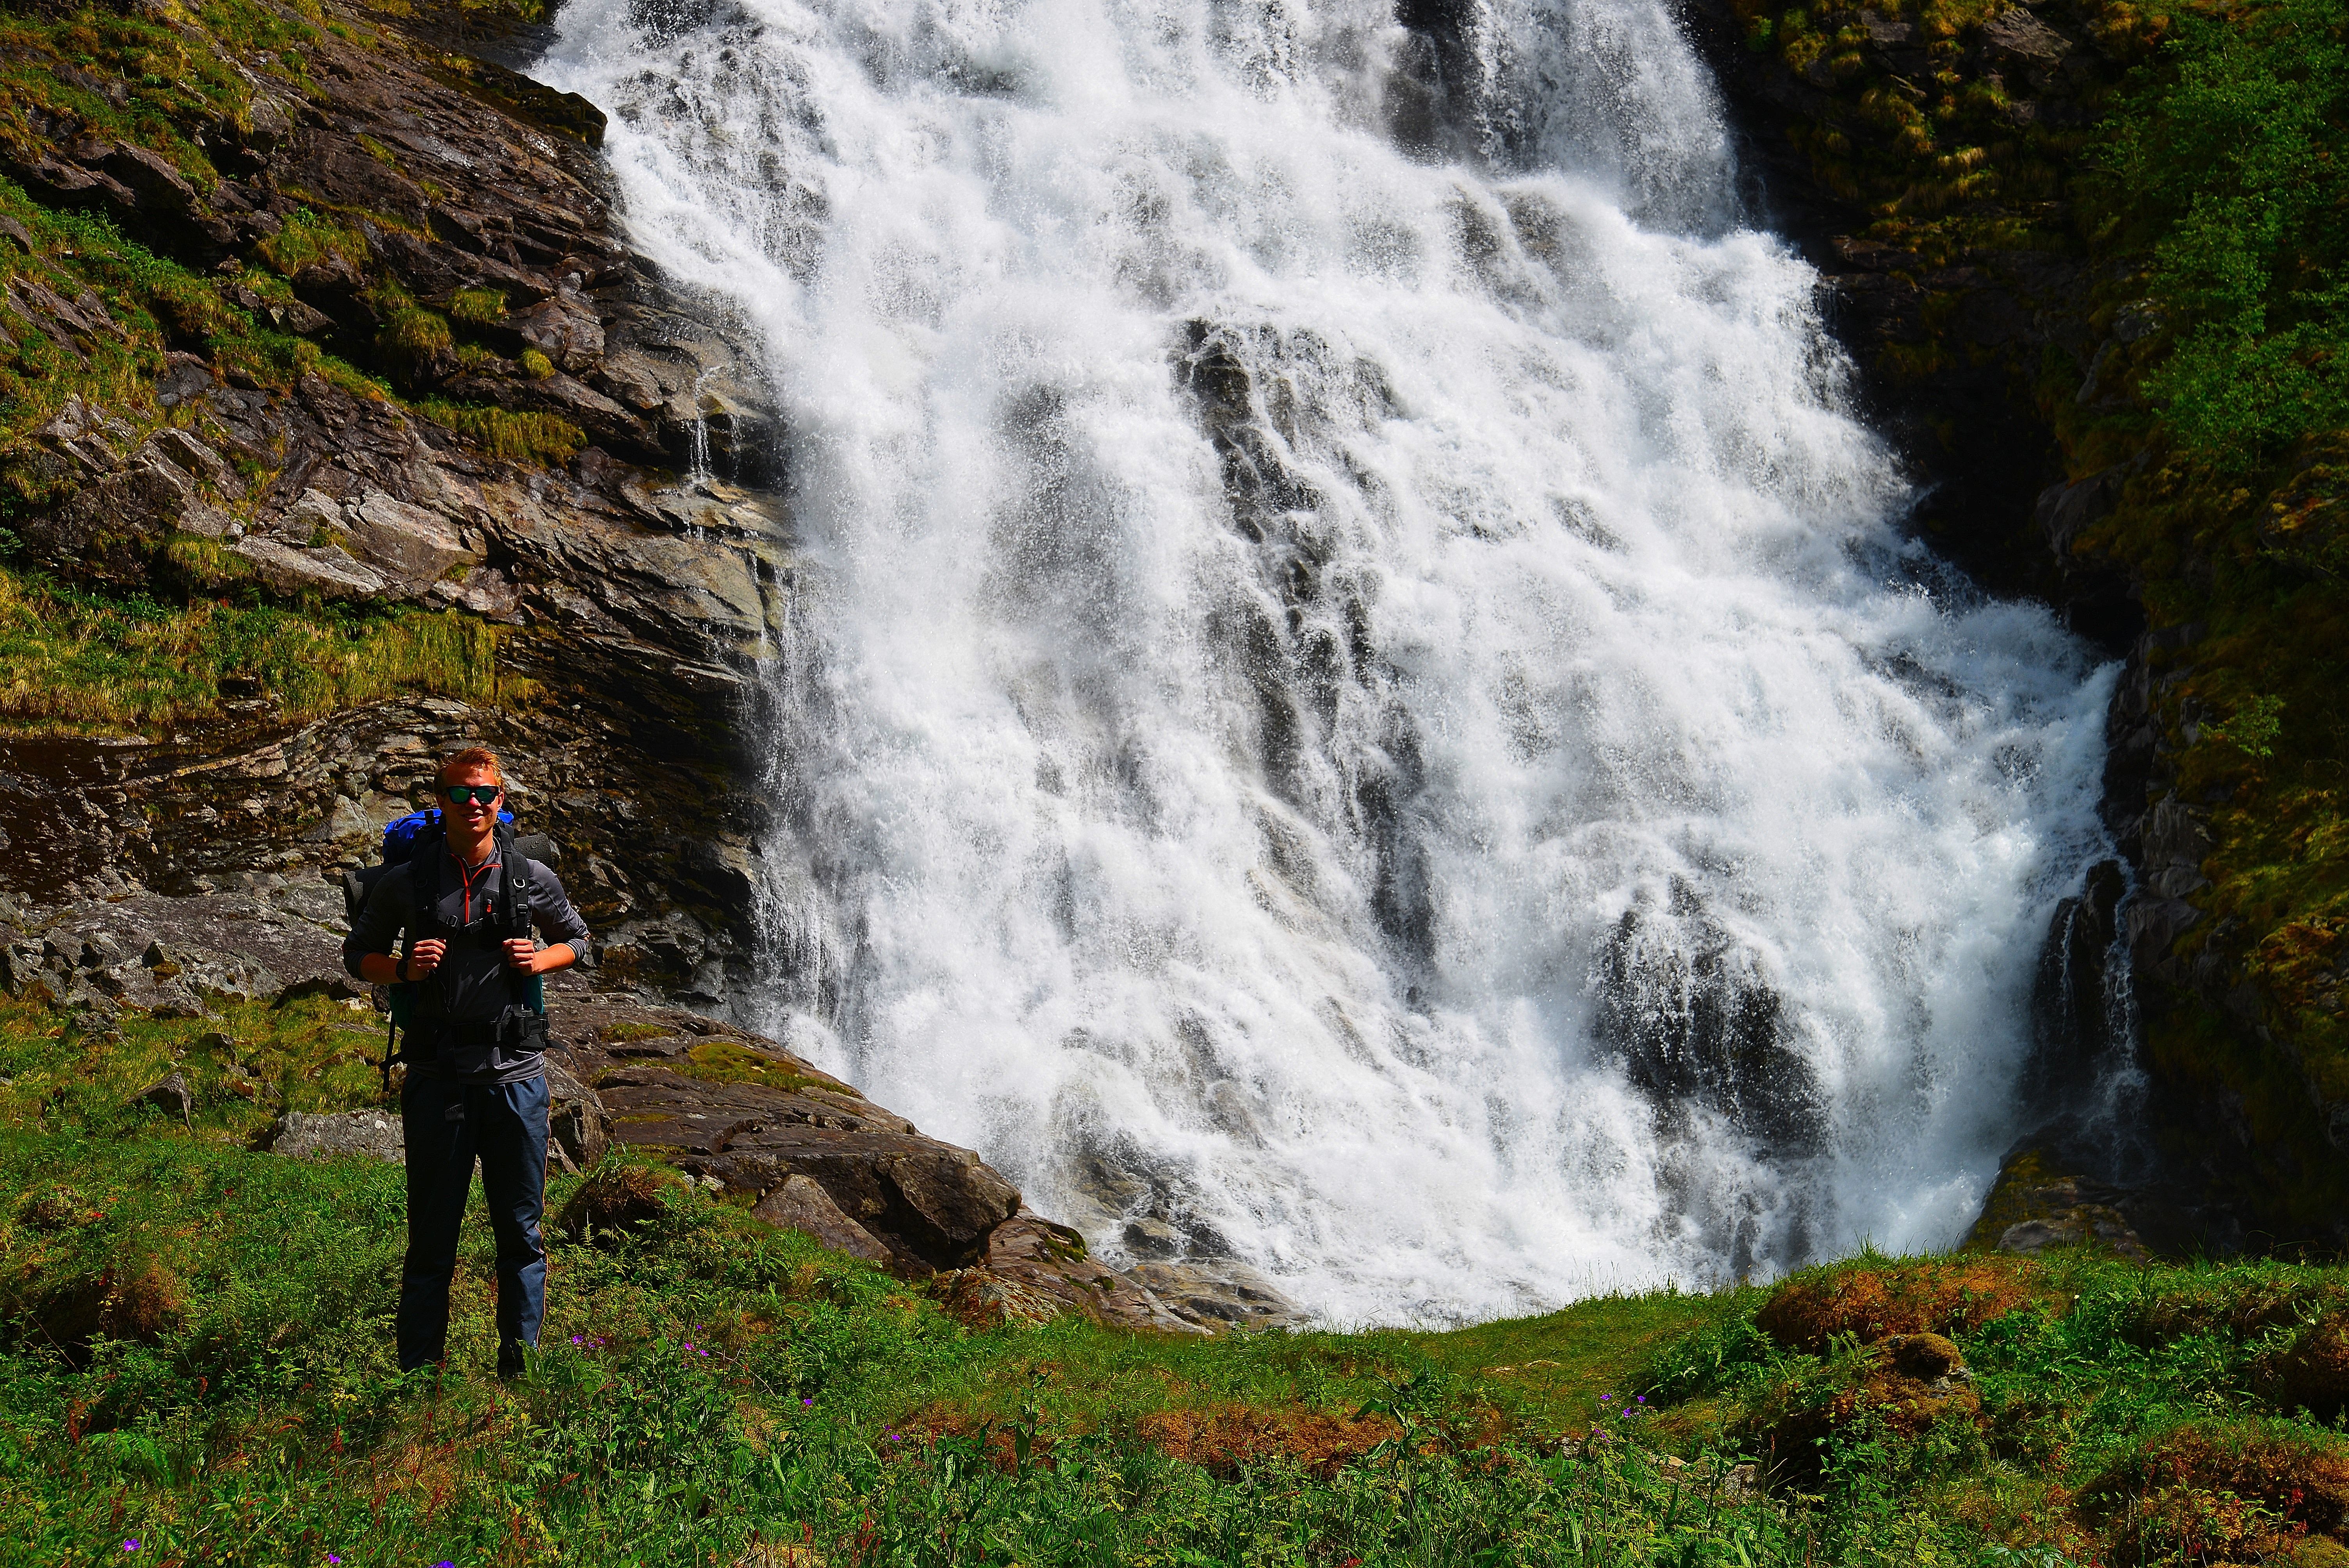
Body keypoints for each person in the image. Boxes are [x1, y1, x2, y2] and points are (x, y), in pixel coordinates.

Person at [343, 746, 592, 1379]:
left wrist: (541, 960)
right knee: (431, 1243)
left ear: (501, 801)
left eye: (484, 794)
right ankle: (419, 1380)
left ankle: (520, 1375)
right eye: (459, 794)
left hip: (517, 1081)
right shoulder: (408, 883)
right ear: (441, 801)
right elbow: (357, 955)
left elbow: (580, 939)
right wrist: (402, 969)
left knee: (522, 1238)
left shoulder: (530, 877)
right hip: (438, 1082)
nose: (473, 804)